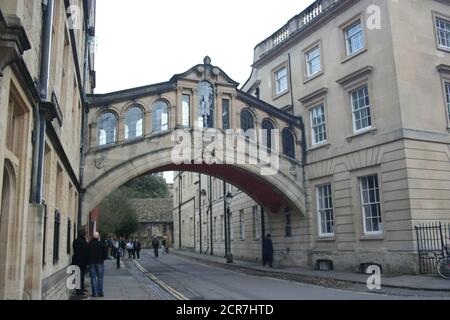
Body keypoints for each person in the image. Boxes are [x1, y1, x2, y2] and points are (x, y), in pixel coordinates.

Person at [87, 232, 108, 298]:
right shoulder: (102, 244)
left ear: (93, 237)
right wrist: (102, 259)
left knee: (93, 278)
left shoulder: (89, 244)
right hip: (100, 262)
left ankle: (95, 293)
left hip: (91, 263)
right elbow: (105, 255)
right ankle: (100, 292)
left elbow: (87, 254)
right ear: (98, 237)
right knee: (100, 278)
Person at [72, 230, 88, 298]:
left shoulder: (75, 241)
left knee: (77, 276)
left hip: (76, 260)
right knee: (81, 276)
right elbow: (86, 252)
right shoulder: (84, 242)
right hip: (82, 261)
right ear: (83, 235)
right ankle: (80, 292)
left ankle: (79, 290)